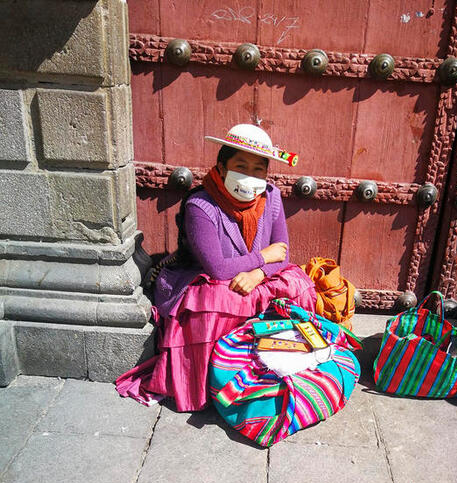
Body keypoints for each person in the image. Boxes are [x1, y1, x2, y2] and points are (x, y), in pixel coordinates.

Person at [116, 123, 317, 411]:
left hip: (254, 274)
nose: (250, 175)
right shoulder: (201, 205)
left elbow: (282, 253)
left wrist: (258, 273)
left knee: (299, 285)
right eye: (241, 166)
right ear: (221, 168)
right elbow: (218, 268)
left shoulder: (271, 196)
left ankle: (272, 373)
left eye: (258, 169)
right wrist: (262, 258)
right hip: (202, 278)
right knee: (220, 299)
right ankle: (216, 381)